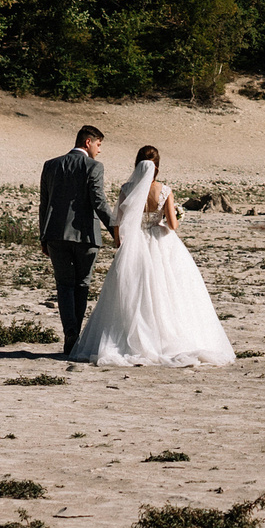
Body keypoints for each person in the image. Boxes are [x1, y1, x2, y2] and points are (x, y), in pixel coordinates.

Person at [63, 144, 236, 366]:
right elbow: (172, 225)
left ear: (136, 166)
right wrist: (172, 216)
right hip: (161, 243)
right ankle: (165, 338)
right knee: (169, 291)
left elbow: (118, 223)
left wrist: (120, 242)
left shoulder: (126, 189)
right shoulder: (165, 191)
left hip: (135, 244)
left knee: (133, 293)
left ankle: (130, 339)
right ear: (157, 169)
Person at [38, 124, 116, 355]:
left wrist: (43, 235)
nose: (99, 151)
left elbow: (45, 203)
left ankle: (70, 332)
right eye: (99, 145)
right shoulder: (93, 167)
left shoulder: (51, 165)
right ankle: (76, 335)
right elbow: (99, 202)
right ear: (87, 142)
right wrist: (115, 230)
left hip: (55, 235)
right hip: (86, 236)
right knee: (82, 284)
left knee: (63, 285)